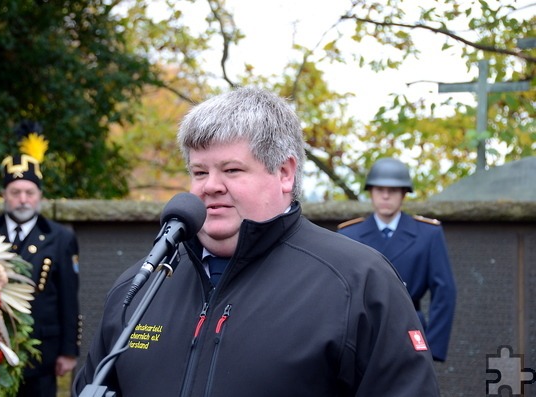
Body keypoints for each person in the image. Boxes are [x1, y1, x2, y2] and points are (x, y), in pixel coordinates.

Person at [73, 87, 440, 396]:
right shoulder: (140, 286)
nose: (210, 186)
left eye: (231, 169)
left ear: (284, 173)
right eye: (199, 172)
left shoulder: (359, 283)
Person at [338, 157, 456, 362]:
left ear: (403, 193)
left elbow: (445, 291)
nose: (385, 196)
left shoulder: (428, 234)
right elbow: (339, 292)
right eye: (379, 189)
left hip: (410, 331)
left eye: (392, 190)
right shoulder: (349, 235)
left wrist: (433, 346)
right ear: (370, 192)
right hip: (361, 333)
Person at [0, 142, 81, 397]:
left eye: (29, 192)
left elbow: (68, 297)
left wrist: (68, 350)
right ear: (4, 194)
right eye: (15, 192)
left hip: (42, 351)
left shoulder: (60, 237)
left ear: (39, 195)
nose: (23, 200)